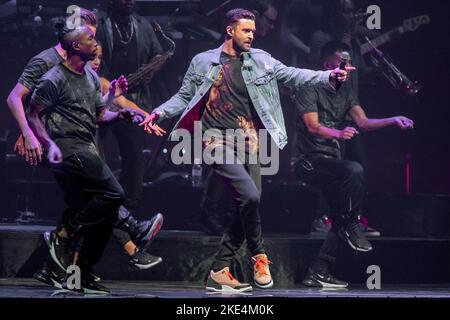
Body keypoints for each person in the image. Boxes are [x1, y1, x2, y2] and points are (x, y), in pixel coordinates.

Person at [143, 8, 353, 292]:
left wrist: (327, 77)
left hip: (251, 143)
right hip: (215, 141)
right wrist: (158, 112)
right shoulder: (204, 61)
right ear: (230, 30)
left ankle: (219, 269)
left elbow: (292, 74)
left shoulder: (261, 60)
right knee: (250, 195)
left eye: (253, 31)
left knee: (249, 205)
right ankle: (260, 256)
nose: (252, 35)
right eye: (246, 30)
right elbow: (184, 96)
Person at [6, 10, 163, 289]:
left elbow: (99, 110)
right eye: (89, 35)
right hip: (60, 145)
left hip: (83, 140)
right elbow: (19, 99)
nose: (95, 41)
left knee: (91, 203)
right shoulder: (48, 65)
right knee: (104, 197)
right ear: (74, 40)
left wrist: (125, 107)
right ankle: (122, 239)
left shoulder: (87, 73)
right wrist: (29, 135)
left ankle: (69, 271)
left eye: (95, 34)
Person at [294, 41, 414, 288]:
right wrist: (338, 134)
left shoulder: (346, 91)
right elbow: (312, 126)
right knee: (354, 170)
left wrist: (394, 119)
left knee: (340, 213)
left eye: (349, 63)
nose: (349, 68)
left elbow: (364, 122)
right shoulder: (309, 86)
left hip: (332, 163)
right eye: (343, 63)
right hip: (308, 161)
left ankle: (318, 270)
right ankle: (353, 222)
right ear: (328, 64)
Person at [95, 0, 164, 216]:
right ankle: (96, 203)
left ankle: (129, 210)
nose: (130, 1)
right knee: (94, 153)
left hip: (134, 95)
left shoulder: (143, 24)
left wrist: (152, 70)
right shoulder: (97, 22)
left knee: (134, 156)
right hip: (102, 96)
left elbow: (158, 54)